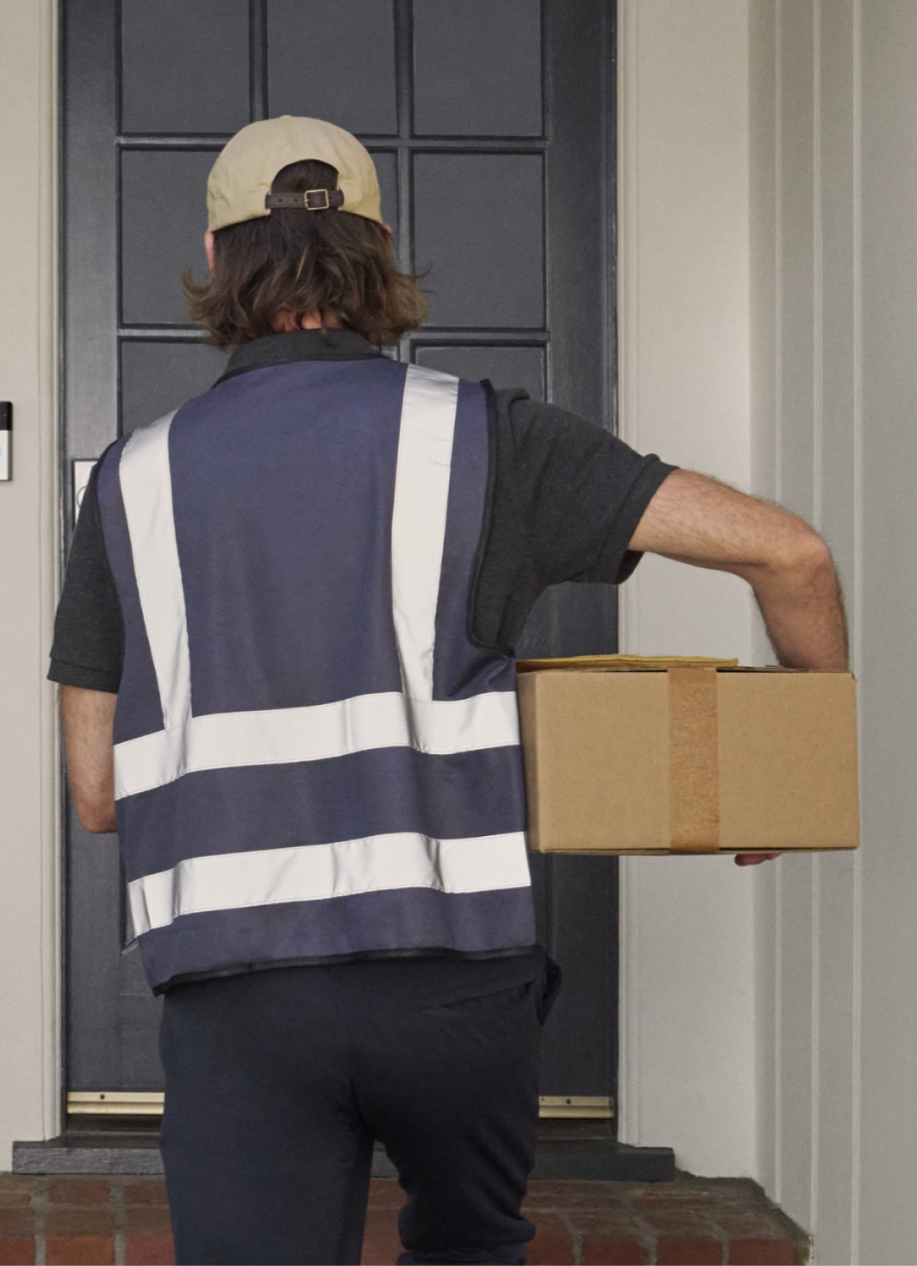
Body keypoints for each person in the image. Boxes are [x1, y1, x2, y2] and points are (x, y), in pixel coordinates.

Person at [49, 116, 847, 1266]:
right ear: (377, 247)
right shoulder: (484, 436)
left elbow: (95, 794)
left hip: (238, 995)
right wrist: (791, 764)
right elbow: (790, 554)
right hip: (453, 986)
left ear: (219, 261)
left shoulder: (130, 481)